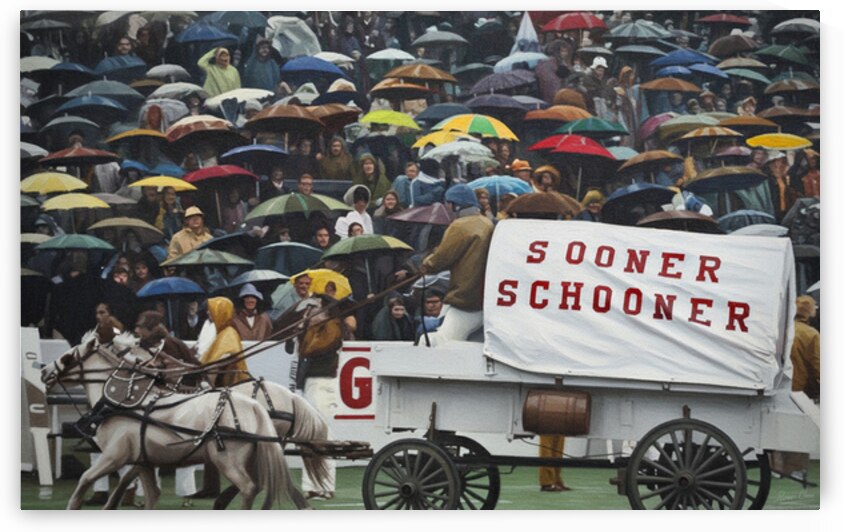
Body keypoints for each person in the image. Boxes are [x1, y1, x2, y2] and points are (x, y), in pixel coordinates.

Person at [419, 185, 494, 346]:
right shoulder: (487, 223)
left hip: (465, 299)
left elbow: (441, 259)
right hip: (485, 298)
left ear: (455, 204)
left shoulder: (460, 225)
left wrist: (427, 264)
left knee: (442, 342)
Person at [199, 297, 249, 388]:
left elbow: (218, 362)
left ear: (220, 312)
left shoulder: (228, 334)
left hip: (229, 387)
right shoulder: (218, 332)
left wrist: (208, 386)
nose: (207, 312)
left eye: (211, 310)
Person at [791, 295, 820, 402]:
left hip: (784, 385)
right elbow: (818, 365)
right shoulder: (812, 334)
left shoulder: (784, 329)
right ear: (810, 312)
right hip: (803, 390)